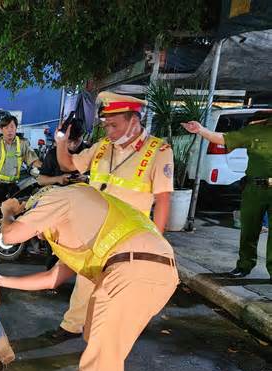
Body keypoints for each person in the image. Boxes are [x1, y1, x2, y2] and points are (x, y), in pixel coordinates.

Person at [0, 184, 178, 371]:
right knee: (95, 339)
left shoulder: (59, 197)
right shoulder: (84, 224)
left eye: (38, 225)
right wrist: (0, 280)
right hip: (142, 267)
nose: (38, 234)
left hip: (133, 270)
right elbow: (52, 278)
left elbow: (11, 235)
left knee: (103, 363)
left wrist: (8, 213)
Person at [50, 92, 174, 343]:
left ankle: (100, 338)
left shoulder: (158, 150)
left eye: (114, 125)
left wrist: (156, 243)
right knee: (84, 280)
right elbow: (67, 165)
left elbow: (162, 200)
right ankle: (72, 325)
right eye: (106, 125)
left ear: (133, 120)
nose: (109, 131)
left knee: (114, 290)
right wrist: (60, 140)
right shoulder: (102, 147)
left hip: (128, 238)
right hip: (95, 231)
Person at [182, 112, 272, 280]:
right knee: (249, 230)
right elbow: (224, 138)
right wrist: (201, 130)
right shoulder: (256, 130)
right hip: (254, 189)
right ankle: (244, 266)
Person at [0, 115, 42, 211]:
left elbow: (33, 160)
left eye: (12, 127)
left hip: (12, 185)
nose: (10, 130)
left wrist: (46, 167)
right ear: (1, 129)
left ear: (16, 128)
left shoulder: (23, 144)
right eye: (6, 127)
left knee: (13, 213)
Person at [39, 118, 89, 182]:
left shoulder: (90, 152)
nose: (73, 145)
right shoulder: (53, 154)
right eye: (69, 141)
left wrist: (87, 178)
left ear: (82, 135)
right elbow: (40, 180)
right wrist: (57, 179)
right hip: (58, 190)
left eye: (77, 141)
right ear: (64, 137)